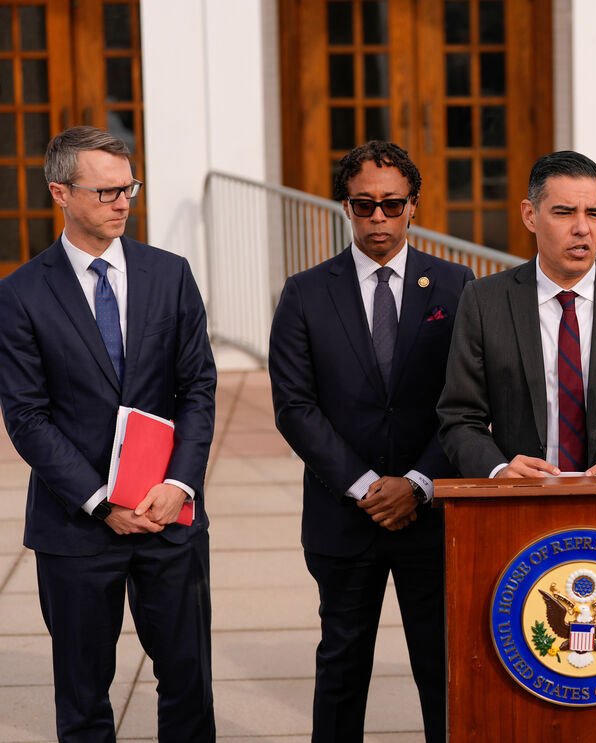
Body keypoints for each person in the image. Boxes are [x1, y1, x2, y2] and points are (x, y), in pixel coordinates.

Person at [0, 126, 217, 742]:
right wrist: (103, 502)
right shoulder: (18, 296)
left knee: (187, 687)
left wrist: (179, 482)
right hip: (76, 527)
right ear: (61, 193)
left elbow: (197, 386)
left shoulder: (170, 275)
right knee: (83, 698)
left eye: (129, 188)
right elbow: (27, 417)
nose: (123, 203)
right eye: (107, 192)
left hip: (168, 518)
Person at [269, 140, 473, 743]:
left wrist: (416, 483)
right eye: (363, 205)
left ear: (413, 207)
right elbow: (295, 407)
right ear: (345, 207)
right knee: (342, 666)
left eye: (391, 204)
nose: (377, 219)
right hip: (343, 515)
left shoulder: (458, 287)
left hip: (431, 512)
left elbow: (469, 402)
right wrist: (366, 487)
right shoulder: (305, 293)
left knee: (443, 669)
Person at [437, 150, 596, 478]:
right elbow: (460, 417)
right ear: (530, 215)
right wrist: (498, 470)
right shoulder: (485, 301)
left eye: (594, 214)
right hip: (521, 502)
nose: (582, 228)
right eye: (565, 212)